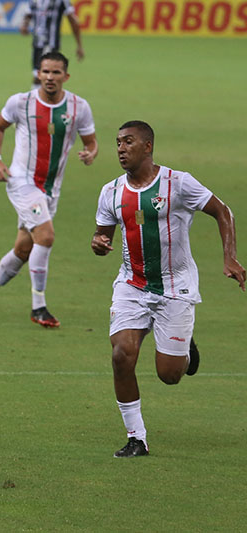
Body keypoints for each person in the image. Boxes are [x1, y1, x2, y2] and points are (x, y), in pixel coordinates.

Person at [91, 121, 245, 458]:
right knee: (121, 356)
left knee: (170, 375)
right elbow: (103, 235)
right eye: (117, 142)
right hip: (131, 285)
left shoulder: (178, 183)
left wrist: (230, 258)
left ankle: (184, 348)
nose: (120, 148)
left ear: (147, 147)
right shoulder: (111, 191)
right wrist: (99, 243)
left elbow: (223, 211)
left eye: (128, 142)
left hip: (175, 288)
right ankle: (137, 438)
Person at [0, 51, 97, 328]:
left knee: (23, 249)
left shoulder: (79, 107)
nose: (50, 77)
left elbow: (91, 142)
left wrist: (90, 153)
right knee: (46, 236)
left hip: (51, 188)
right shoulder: (21, 103)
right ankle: (38, 307)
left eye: (55, 72)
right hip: (21, 181)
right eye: (45, 72)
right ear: (38, 74)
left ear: (66, 76)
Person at [20, 0, 84, 88]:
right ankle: (39, 99)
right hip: (37, 44)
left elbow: (73, 20)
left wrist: (79, 45)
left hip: (50, 44)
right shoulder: (34, 1)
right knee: (38, 75)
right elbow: (28, 15)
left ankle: (38, 100)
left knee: (42, 76)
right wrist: (24, 25)